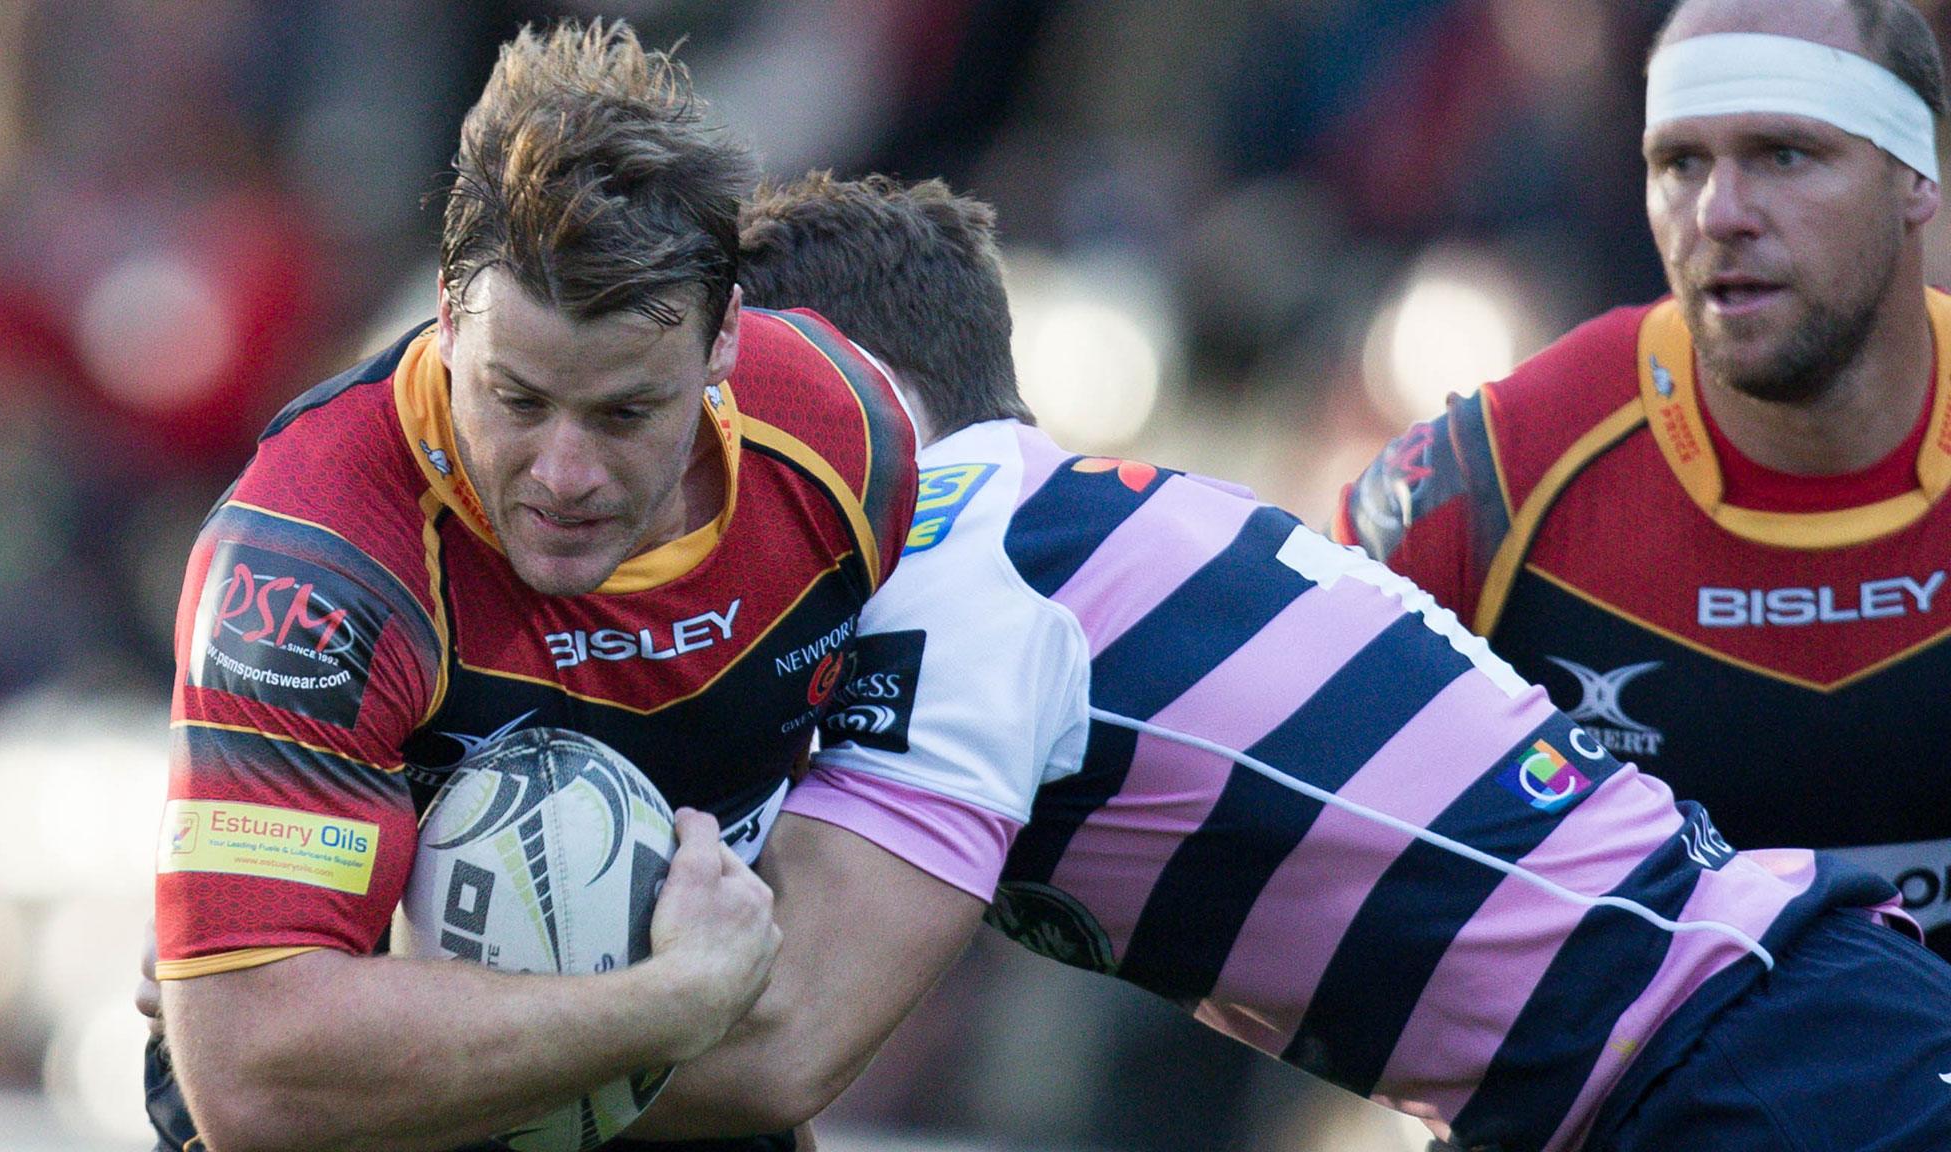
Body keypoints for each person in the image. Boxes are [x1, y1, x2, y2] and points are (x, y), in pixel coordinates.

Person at [658, 171, 1951, 1152]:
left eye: (721, 418)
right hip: (1691, 1061)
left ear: (850, 389)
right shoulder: (1037, 531)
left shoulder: (955, 560)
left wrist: (471, 1058)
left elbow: (790, 1051)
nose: (696, 493)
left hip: (1760, 1064)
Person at [147, 21, 921, 1152]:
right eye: (515, 401)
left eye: (622, 414)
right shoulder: (315, 565)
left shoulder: (845, 450)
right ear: (450, 319)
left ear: (722, 348)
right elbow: (254, 1081)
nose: (563, 475)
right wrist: (668, 1005)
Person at [1338, 0, 1951, 957]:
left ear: (1916, 177)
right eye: (1681, 164)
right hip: (1620, 1105)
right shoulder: (1503, 473)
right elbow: (1265, 788)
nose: (1722, 214)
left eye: (1785, 154)